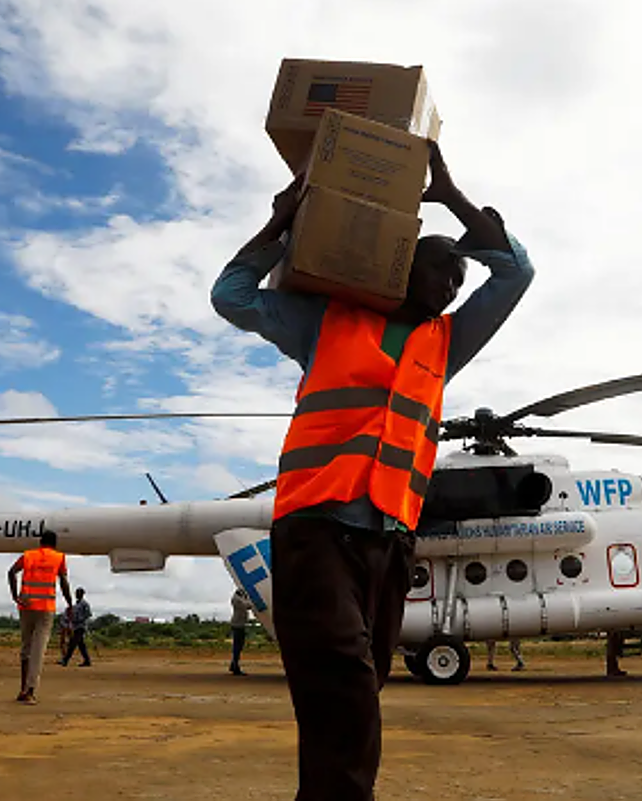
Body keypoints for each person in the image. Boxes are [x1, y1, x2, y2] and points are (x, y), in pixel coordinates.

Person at [211, 142, 534, 800]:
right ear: (398, 266)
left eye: (458, 280)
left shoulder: (446, 342)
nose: (452, 285)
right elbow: (231, 296)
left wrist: (453, 198)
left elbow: (515, 273)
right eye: (442, 270)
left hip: (391, 538)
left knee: (352, 684)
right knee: (345, 680)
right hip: (316, 527)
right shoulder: (324, 320)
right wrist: (278, 224)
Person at [8, 530, 73, 704]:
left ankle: (22, 689)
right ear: (55, 543)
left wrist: (15, 596)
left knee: (26, 648)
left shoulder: (28, 555)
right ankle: (30, 691)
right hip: (45, 607)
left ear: (40, 542)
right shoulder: (59, 557)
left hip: (26, 604)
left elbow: (11, 572)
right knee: (38, 650)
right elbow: (63, 581)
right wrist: (70, 603)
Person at [58, 587, 92, 667]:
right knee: (81, 645)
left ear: (82, 594)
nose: (76, 594)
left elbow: (88, 614)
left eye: (78, 593)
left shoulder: (85, 604)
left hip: (80, 627)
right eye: (76, 593)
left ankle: (65, 660)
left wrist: (80, 619)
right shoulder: (76, 605)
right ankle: (87, 661)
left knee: (72, 644)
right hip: (75, 627)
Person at [229, 588, 253, 676]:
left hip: (239, 624)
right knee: (237, 647)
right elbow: (248, 605)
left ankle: (234, 665)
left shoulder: (238, 598)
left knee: (238, 647)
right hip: (238, 625)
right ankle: (235, 666)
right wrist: (248, 598)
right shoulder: (237, 600)